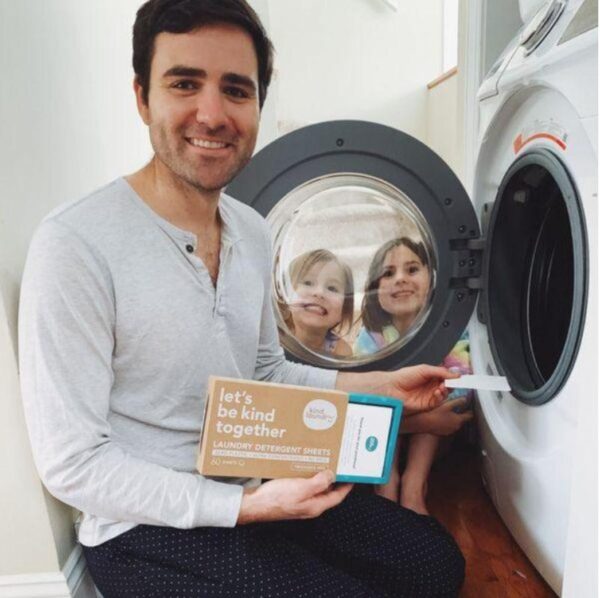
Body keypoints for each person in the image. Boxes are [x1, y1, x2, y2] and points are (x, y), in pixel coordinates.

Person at [18, 1, 465, 596]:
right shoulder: (75, 243)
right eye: (184, 84)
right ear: (142, 97)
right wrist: (245, 509)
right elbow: (73, 465)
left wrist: (382, 386)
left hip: (258, 479)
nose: (212, 114)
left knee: (435, 563)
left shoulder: (252, 231)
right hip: (148, 527)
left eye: (236, 90)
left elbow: (264, 370)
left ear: (258, 106)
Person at [355, 237, 473, 513]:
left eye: (411, 270)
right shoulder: (372, 337)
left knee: (437, 393)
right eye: (388, 273)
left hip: (438, 435)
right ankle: (386, 482)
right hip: (390, 436)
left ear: (432, 281)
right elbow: (363, 398)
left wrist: (428, 410)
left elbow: (463, 387)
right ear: (374, 290)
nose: (400, 279)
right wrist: (422, 417)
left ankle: (414, 485)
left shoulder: (449, 329)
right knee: (381, 400)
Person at [280, 249, 354, 357]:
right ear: (287, 294)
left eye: (332, 288)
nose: (319, 292)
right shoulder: (275, 339)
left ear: (344, 310)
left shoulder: (340, 351)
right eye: (308, 283)